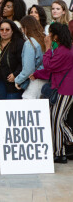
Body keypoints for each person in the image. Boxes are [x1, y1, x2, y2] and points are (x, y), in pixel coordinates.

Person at [32, 23, 73, 163]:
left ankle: (60, 152)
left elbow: (49, 65)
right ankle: (60, 151)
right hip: (63, 88)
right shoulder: (65, 48)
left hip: (65, 89)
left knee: (56, 120)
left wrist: (48, 48)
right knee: (57, 119)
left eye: (50, 33)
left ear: (56, 36)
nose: (48, 36)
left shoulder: (64, 51)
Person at [0, 20, 25, 140]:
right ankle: (3, 133)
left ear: (13, 30)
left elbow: (23, 62)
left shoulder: (19, 43)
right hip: (0, 80)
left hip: (13, 81)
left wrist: (16, 74)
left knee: (12, 108)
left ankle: (13, 134)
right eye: (1, 29)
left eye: (7, 29)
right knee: (1, 107)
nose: (4, 32)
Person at [14, 15, 46, 99]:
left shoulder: (29, 43)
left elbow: (28, 69)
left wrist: (18, 80)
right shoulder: (45, 39)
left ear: (25, 28)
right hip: (46, 79)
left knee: (29, 106)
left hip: (34, 80)